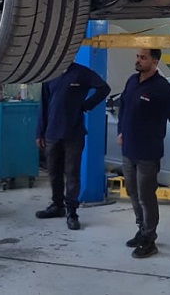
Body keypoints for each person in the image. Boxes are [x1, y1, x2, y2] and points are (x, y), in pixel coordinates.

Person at [117, 49, 170, 259]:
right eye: (137, 56)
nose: (138, 60)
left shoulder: (161, 87)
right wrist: (121, 131)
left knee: (146, 196)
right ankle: (142, 229)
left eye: (143, 58)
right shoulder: (132, 81)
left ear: (155, 62)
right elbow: (123, 108)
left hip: (148, 152)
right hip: (128, 149)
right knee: (132, 192)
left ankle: (149, 239)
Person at [34, 62, 110, 230]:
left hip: (73, 133)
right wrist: (40, 132)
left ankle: (72, 212)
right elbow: (44, 104)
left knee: (72, 174)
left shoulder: (82, 73)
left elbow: (104, 88)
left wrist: (86, 105)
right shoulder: (50, 73)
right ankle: (57, 206)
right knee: (54, 172)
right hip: (52, 132)